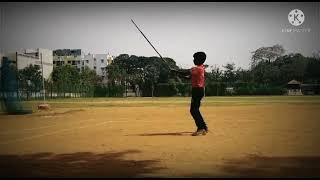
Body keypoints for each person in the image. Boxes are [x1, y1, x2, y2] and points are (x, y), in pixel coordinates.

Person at [171, 52, 208, 136]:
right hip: (199, 90)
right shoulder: (201, 68)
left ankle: (201, 128)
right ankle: (204, 127)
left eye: (195, 58)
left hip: (197, 91)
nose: (193, 60)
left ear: (199, 60)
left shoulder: (197, 68)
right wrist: (177, 74)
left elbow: (186, 72)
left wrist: (175, 71)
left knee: (193, 110)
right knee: (195, 110)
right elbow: (187, 77)